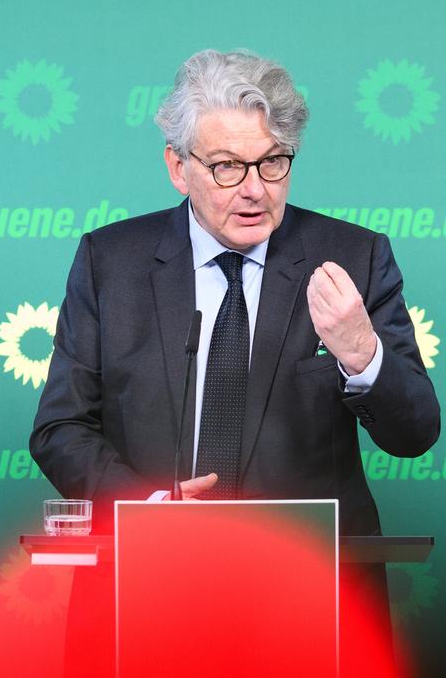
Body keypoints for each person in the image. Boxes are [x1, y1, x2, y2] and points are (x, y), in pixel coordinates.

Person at [29, 49, 439, 534]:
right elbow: (61, 428)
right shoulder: (110, 263)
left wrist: (363, 355)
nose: (254, 189)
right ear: (179, 168)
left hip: (311, 576)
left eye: (272, 163)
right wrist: (150, 506)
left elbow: (415, 434)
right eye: (227, 166)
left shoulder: (353, 258)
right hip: (152, 565)